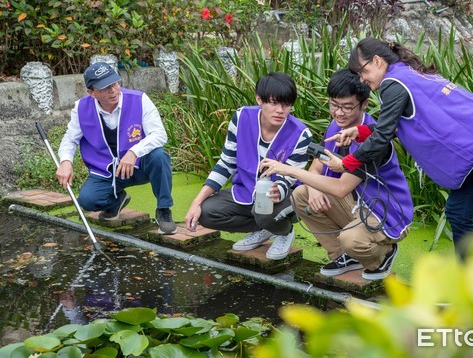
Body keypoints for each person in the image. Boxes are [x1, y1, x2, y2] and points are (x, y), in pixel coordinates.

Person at [326, 37, 473, 257]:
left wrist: (346, 163)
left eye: (362, 71)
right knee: (458, 213)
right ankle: (471, 280)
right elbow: (399, 125)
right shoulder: (406, 72)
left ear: (376, 61)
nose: (362, 79)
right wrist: (361, 131)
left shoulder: (392, 84)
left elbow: (382, 136)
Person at [260, 69, 413, 280]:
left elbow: (341, 188)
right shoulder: (335, 126)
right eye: (334, 105)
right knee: (301, 194)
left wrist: (287, 169)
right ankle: (345, 256)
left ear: (365, 104)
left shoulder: (373, 140)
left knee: (351, 239)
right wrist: (313, 191)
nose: (339, 113)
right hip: (358, 204)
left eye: (347, 107)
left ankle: (382, 255)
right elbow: (316, 167)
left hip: (386, 213)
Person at [184, 72, 312, 260]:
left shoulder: (301, 134)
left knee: (264, 210)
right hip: (246, 192)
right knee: (206, 212)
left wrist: (279, 190)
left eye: (286, 105)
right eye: (274, 103)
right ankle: (265, 229)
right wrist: (196, 203)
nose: (280, 110)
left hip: (285, 198)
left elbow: (292, 177)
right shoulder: (242, 117)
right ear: (259, 100)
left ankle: (284, 232)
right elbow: (226, 163)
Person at [57, 62, 177, 235]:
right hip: (107, 171)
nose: (113, 90)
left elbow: (159, 135)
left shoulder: (139, 99)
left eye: (114, 83)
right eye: (105, 88)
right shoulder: (81, 108)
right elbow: (70, 139)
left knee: (159, 156)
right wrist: (66, 161)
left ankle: (164, 210)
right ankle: (116, 201)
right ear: (91, 92)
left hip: (140, 166)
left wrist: (134, 152)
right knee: (87, 200)